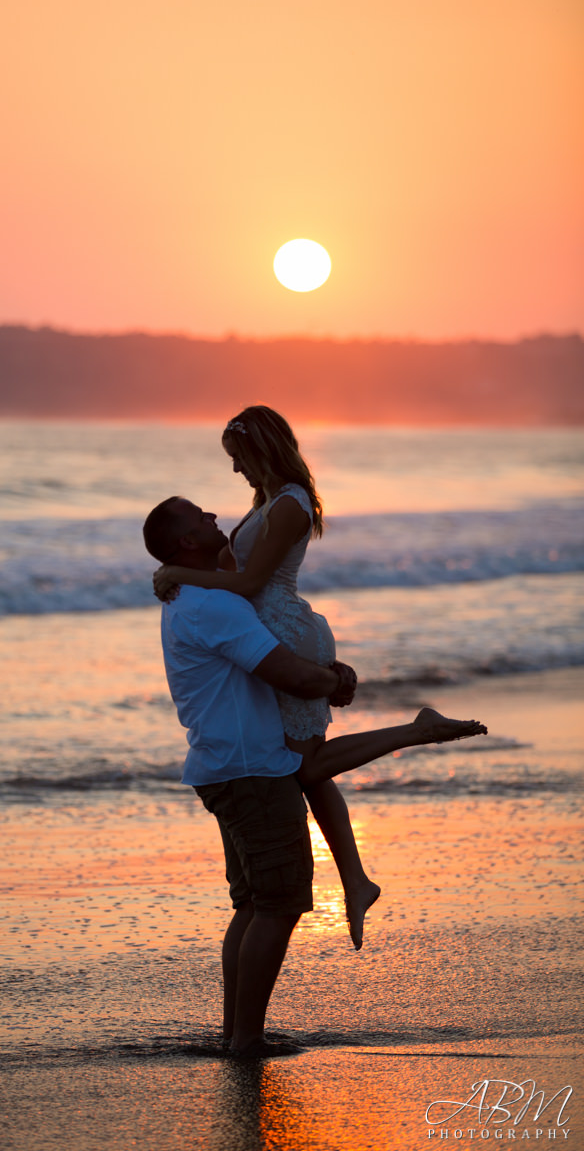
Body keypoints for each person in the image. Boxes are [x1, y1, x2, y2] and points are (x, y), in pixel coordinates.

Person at [143, 495, 486, 1058]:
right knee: (278, 905)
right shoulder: (212, 605)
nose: (214, 518)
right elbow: (287, 675)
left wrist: (325, 676)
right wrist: (336, 682)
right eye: (200, 518)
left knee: (253, 904)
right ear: (185, 543)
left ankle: (235, 1032)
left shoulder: (190, 595)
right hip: (251, 772)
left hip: (225, 767)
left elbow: (280, 659)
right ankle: (246, 1039)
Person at [152, 407, 371, 946]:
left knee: (307, 765)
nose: (234, 472)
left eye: (238, 459)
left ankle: (358, 875)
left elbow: (249, 582)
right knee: (303, 769)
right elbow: (233, 570)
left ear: (260, 450)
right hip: (264, 629)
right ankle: (357, 879)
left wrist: (179, 571)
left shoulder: (292, 503)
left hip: (287, 630)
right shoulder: (266, 503)